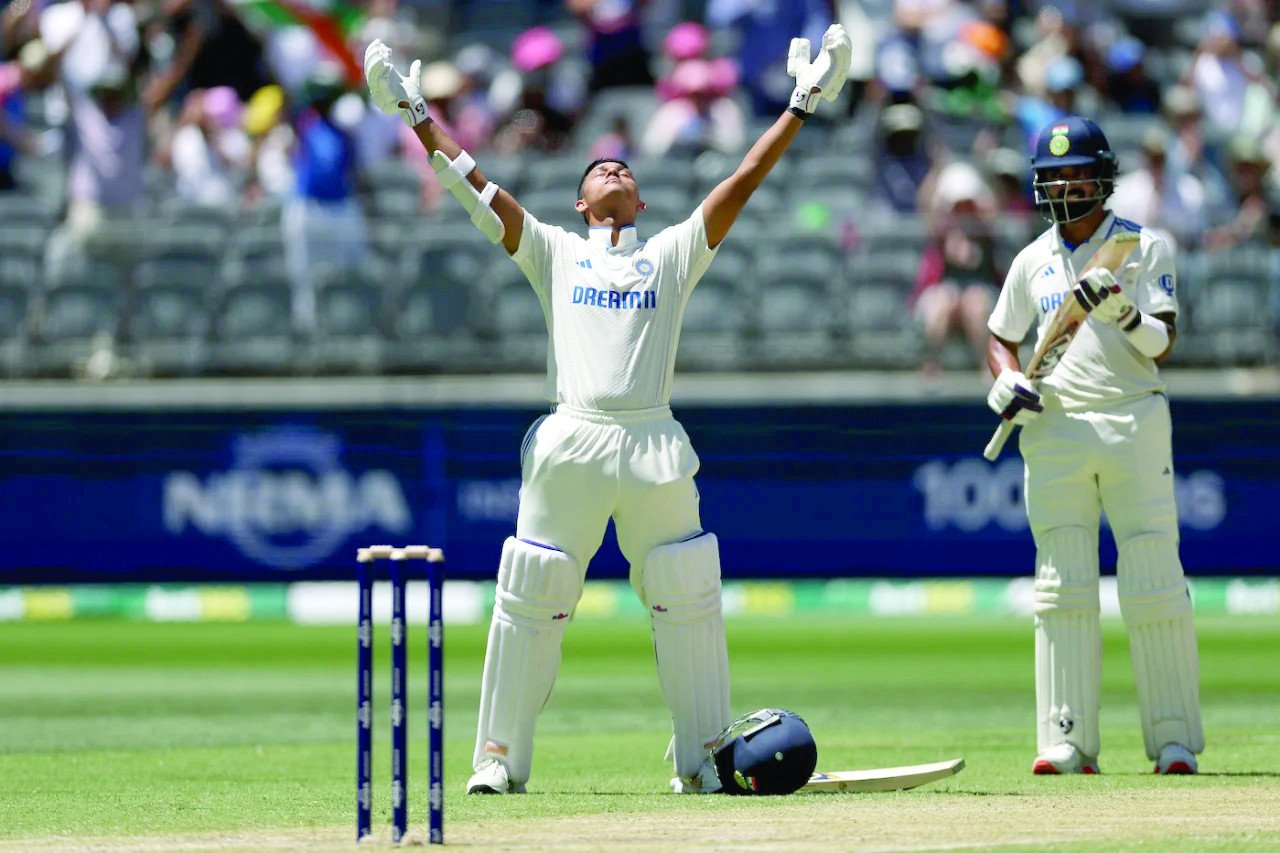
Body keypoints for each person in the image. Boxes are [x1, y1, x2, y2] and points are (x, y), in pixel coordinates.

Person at [364, 24, 851, 794]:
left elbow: (745, 180)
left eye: (623, 166)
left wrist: (802, 102)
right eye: (599, 168)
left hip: (654, 436)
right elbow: (477, 192)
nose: (613, 166)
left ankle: (703, 759)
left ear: (641, 198)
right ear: (583, 201)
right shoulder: (555, 250)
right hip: (574, 436)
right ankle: (498, 758)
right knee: (533, 586)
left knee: (687, 589)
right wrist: (416, 113)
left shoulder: (671, 254)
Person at [984, 116, 1203, 776]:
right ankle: (1066, 739)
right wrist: (1007, 379)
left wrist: (1124, 315)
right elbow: (1002, 336)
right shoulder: (1031, 260)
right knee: (1061, 582)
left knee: (1153, 577)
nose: (1066, 186)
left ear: (1103, 178)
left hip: (1132, 420)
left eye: (1077, 174)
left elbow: (1163, 343)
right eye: (1054, 177)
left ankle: (1172, 739)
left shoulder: (1141, 247)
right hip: (1054, 430)